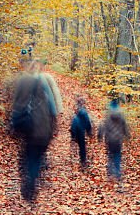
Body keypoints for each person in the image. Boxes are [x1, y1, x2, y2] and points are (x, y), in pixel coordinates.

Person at [8, 60, 62, 201]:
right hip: (42, 126)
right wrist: (55, 124)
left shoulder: (22, 81)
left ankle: (28, 180)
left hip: (27, 125)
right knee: (36, 157)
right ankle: (31, 181)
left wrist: (13, 123)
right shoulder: (44, 81)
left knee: (28, 154)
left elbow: (15, 103)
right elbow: (52, 106)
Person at [97, 99, 130, 182]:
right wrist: (127, 136)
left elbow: (102, 126)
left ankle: (110, 173)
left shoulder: (108, 116)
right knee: (117, 155)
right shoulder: (121, 116)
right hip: (118, 140)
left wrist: (100, 136)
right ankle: (118, 172)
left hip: (110, 140)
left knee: (110, 155)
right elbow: (125, 127)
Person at [69, 97, 94, 168]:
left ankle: (81, 158)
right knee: (82, 146)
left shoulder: (77, 112)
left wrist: (72, 134)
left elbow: (74, 122)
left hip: (76, 129)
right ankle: (83, 159)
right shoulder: (85, 112)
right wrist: (89, 131)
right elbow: (88, 122)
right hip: (81, 131)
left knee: (80, 145)